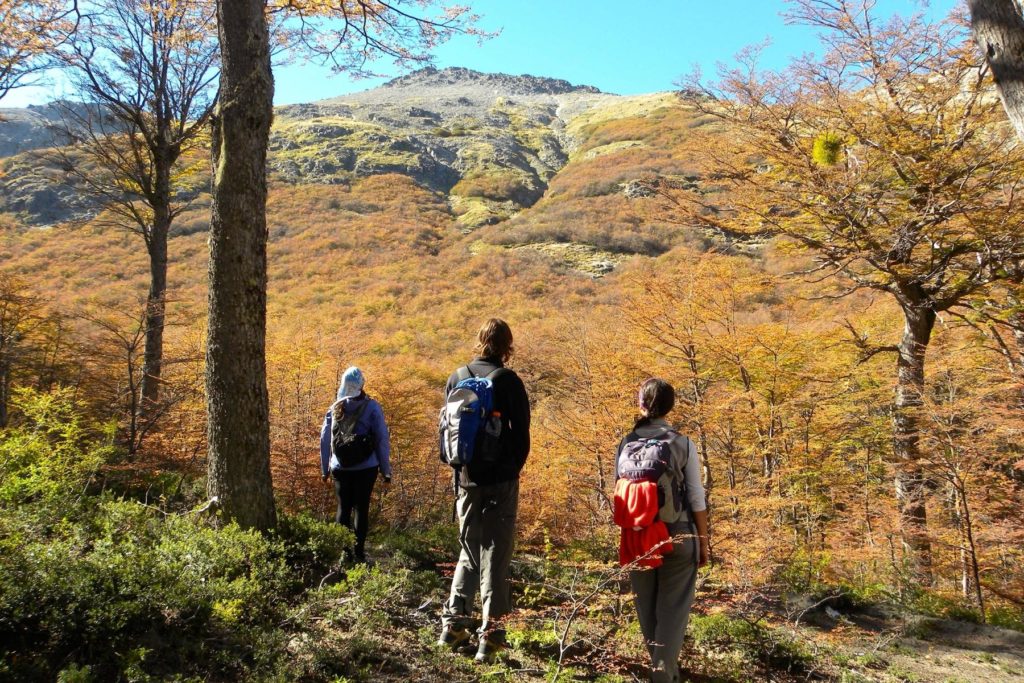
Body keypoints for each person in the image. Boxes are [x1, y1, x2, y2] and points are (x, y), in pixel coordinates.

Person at [438, 318, 531, 663]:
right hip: (500, 482)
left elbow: (446, 433)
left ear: (479, 341)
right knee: (496, 556)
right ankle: (490, 638)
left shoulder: (456, 377)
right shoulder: (508, 381)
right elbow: (521, 438)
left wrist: (461, 470)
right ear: (507, 346)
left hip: (465, 478)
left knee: (469, 549)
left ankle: (453, 625)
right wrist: (508, 472)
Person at [618, 378, 709, 683]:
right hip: (678, 536)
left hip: (638, 536)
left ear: (641, 404)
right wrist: (703, 542)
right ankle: (663, 675)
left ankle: (663, 670)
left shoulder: (626, 442)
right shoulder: (682, 443)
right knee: (673, 612)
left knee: (647, 611)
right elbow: (696, 496)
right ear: (670, 406)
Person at [319, 366, 392, 563]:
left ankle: (344, 554)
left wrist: (324, 469)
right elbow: (381, 440)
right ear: (362, 385)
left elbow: (325, 439)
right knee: (361, 508)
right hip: (366, 468)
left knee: (343, 508)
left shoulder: (334, 408)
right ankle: (359, 554)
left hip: (339, 467)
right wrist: (386, 471)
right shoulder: (372, 407)